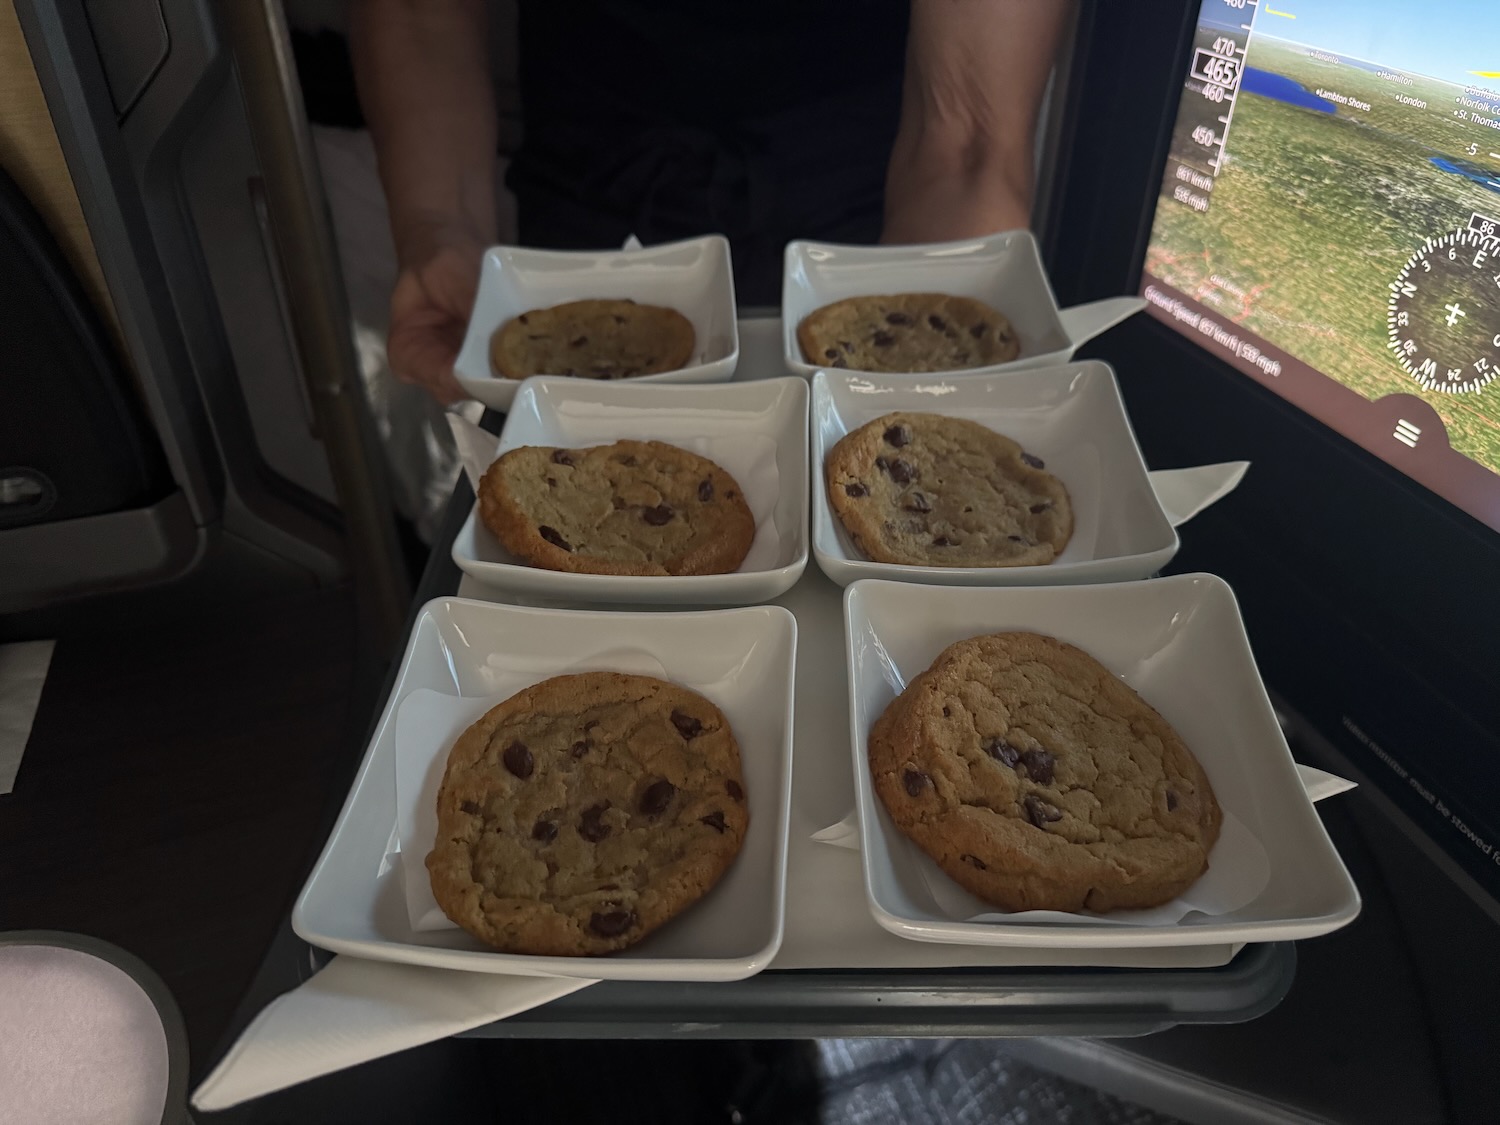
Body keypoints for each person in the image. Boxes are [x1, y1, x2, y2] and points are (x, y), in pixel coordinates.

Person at [348, 0, 1071, 404]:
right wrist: (438, 225)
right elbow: (420, 15)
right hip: (594, 191)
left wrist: (930, 392)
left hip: (871, 204)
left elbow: (969, 136)